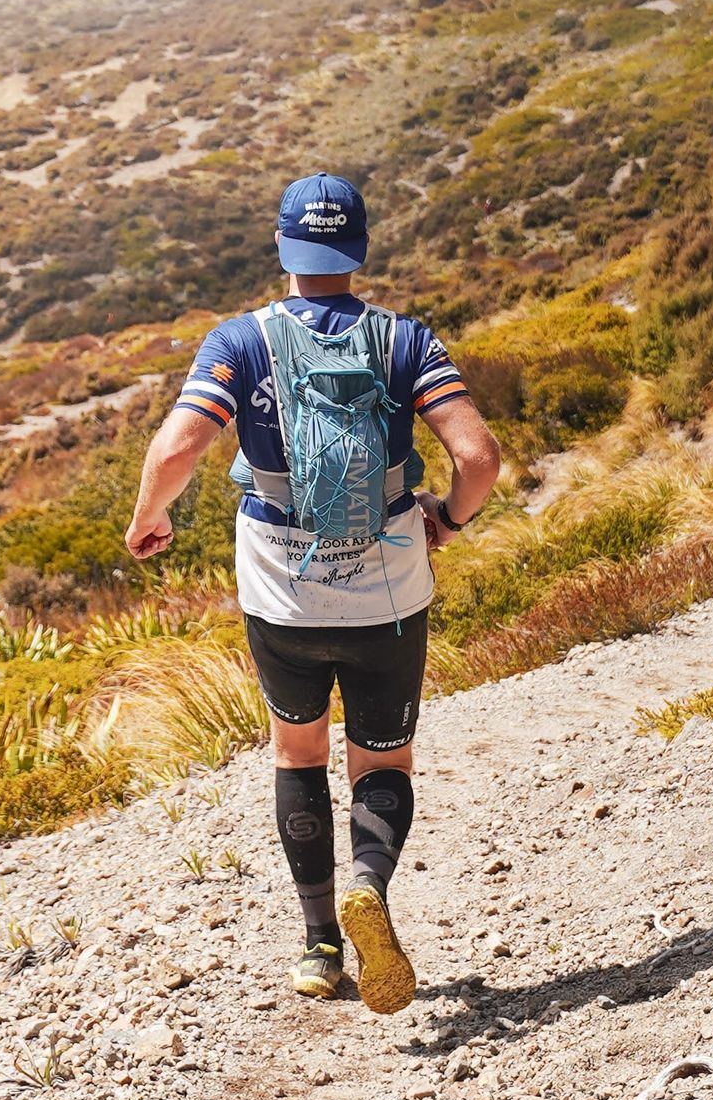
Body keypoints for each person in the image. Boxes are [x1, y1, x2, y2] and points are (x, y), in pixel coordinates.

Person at [125, 173, 502, 1014]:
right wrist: (449, 518)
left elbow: (178, 449)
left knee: (297, 756)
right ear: (360, 247)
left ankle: (319, 944)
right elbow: (478, 458)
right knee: (383, 759)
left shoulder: (241, 340)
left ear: (282, 246)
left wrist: (149, 518)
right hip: (389, 596)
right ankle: (371, 881)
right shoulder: (406, 342)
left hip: (282, 598)